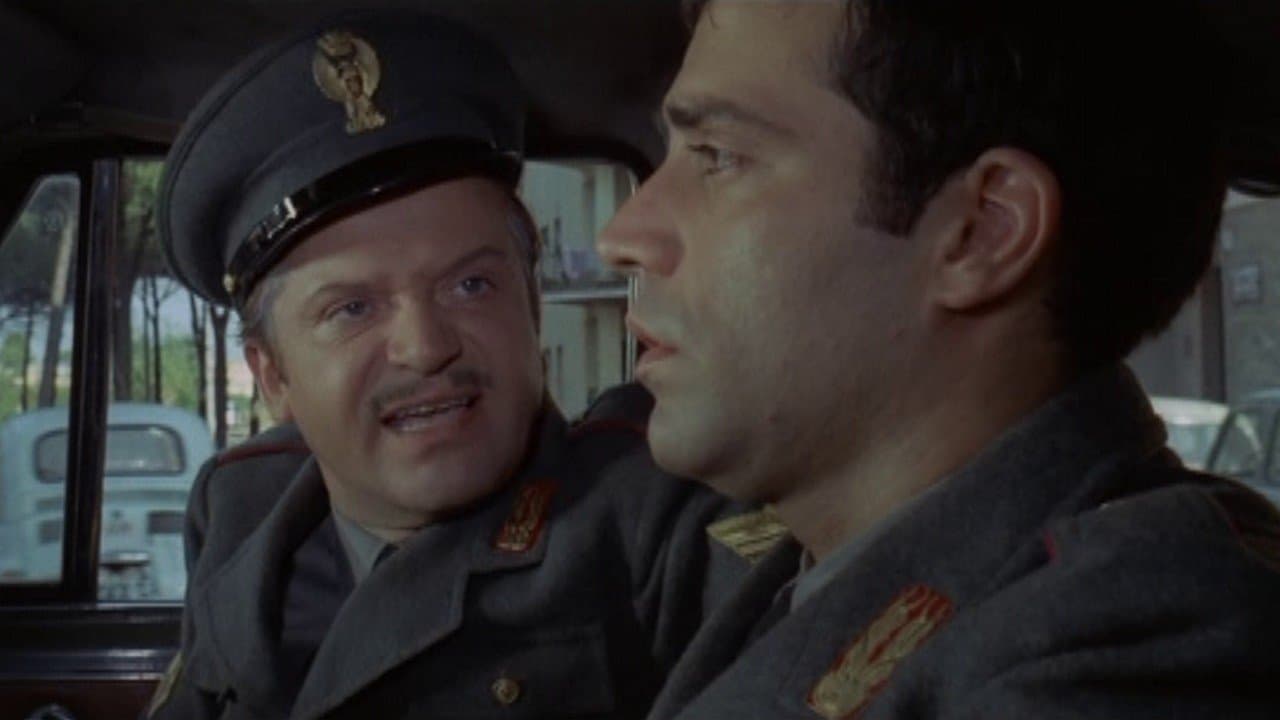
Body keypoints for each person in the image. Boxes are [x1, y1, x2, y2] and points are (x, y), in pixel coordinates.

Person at [596, 1, 1280, 718]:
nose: (621, 237)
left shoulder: (1137, 644)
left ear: (981, 232)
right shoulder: (814, 565)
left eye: (718, 156)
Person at [146, 10, 749, 720]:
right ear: (274, 375)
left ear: (531, 305)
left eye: (470, 285)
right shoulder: (238, 508)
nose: (427, 346)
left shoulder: (654, 514)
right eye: (352, 309)